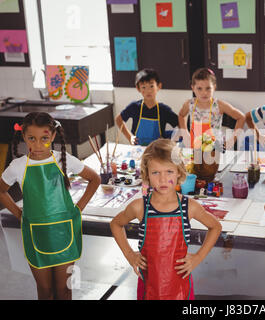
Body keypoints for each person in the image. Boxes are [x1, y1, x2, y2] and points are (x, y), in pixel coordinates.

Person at [0, 112, 100, 300]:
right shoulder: (17, 166)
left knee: (64, 290)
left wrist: (78, 209)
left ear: (53, 136)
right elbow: (1, 190)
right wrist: (18, 213)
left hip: (65, 234)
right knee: (45, 291)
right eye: (32, 138)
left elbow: (95, 179)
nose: (38, 145)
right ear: (24, 137)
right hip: (36, 236)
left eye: (44, 138)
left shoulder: (65, 159)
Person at [110, 139, 222, 300]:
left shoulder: (189, 207)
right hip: (148, 289)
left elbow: (216, 227)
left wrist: (198, 258)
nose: (163, 179)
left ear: (179, 172)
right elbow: (115, 224)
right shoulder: (140, 207)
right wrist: (129, 254)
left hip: (180, 290)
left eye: (169, 171)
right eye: (155, 172)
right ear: (146, 174)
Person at [178, 68, 245, 150]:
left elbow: (241, 117)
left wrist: (231, 141)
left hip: (214, 149)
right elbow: (181, 115)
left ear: (214, 87)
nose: (204, 93)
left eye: (208, 88)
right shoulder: (189, 104)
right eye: (199, 88)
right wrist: (185, 133)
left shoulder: (219, 105)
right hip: (194, 147)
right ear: (193, 88)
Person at [115, 68, 179, 146]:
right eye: (144, 87)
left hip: (157, 151)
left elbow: (181, 126)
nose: (148, 91)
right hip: (137, 150)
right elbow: (118, 119)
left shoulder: (164, 110)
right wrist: (130, 137)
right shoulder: (134, 107)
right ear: (138, 88)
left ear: (159, 86)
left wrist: (171, 142)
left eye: (151, 86)